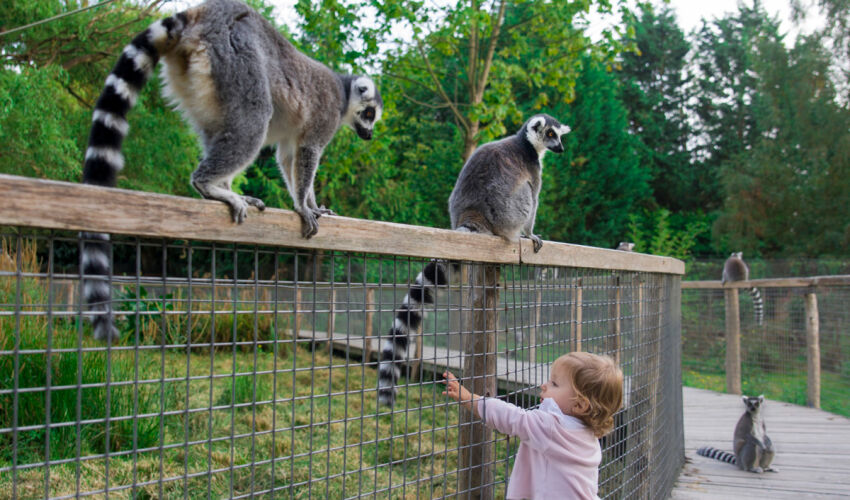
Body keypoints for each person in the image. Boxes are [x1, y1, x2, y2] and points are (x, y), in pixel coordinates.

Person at [442, 352, 623, 500]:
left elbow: (511, 417)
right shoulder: (588, 435)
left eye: (554, 383)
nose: (544, 385)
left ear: (580, 405)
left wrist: (468, 399)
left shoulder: (552, 428)